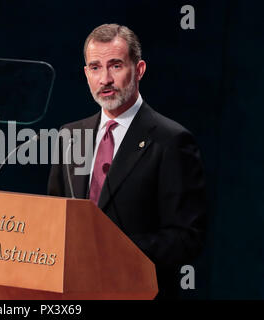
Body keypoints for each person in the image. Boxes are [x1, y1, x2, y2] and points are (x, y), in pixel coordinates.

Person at [47, 23, 207, 299]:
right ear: (86, 73)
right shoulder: (70, 135)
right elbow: (53, 218)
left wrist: (112, 248)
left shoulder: (171, 140)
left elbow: (186, 239)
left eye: (116, 66)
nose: (105, 79)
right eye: (95, 67)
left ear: (140, 69)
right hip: (72, 293)